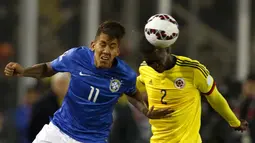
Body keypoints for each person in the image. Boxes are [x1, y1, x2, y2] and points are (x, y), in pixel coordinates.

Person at [4, 21, 173, 143]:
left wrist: (145, 110)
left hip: (92, 139)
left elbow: (133, 94)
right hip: (57, 131)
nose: (106, 50)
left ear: (118, 50)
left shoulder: (125, 75)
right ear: (93, 45)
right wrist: (24, 71)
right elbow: (48, 69)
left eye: (112, 46)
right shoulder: (76, 56)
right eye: (103, 44)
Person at [136, 36, 248, 143]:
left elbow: (215, 98)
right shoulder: (145, 69)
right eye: (150, 63)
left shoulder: (192, 70)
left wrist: (234, 122)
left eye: (158, 61)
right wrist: (144, 111)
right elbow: (130, 91)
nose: (155, 66)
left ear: (167, 50)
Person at [28, 72, 70, 141]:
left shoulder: (69, 102)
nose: (63, 87)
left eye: (65, 84)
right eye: (60, 84)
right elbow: (35, 128)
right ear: (54, 85)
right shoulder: (43, 104)